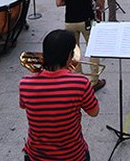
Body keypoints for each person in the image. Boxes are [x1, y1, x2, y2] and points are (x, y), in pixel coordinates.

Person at [19, 29, 99, 161]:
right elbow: (94, 112)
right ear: (69, 56)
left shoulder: (24, 84)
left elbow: (24, 106)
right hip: (72, 155)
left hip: (36, 156)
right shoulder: (81, 83)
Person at [55, 0, 106, 91]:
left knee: (74, 51)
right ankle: (94, 80)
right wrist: (100, 6)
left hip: (70, 21)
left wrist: (70, 0)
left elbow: (58, 3)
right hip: (86, 21)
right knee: (93, 48)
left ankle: (78, 79)